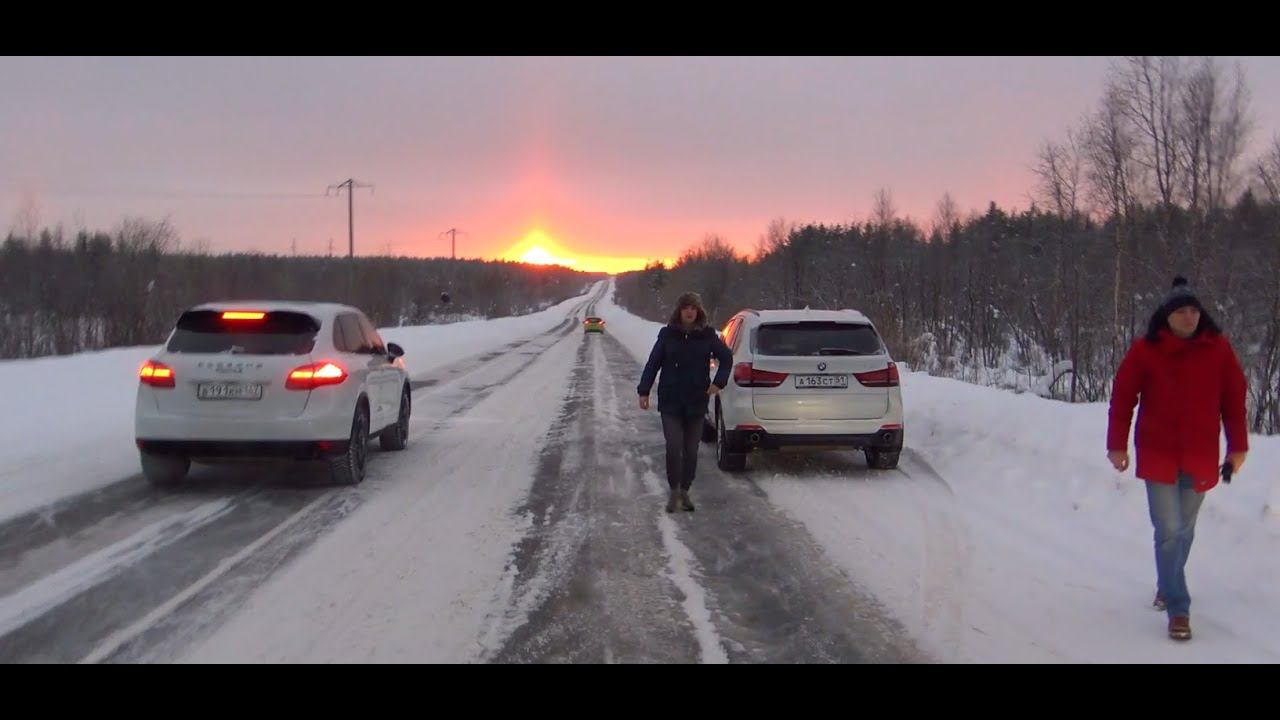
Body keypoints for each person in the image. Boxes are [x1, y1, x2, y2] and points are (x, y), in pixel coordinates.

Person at [1107, 277, 1248, 641]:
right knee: (1169, 531)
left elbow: (1234, 401)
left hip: (1200, 454)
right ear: (1166, 316)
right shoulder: (1145, 351)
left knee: (1184, 529)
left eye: (1194, 310)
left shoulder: (1218, 350)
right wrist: (1117, 444)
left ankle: (1166, 584)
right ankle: (1178, 608)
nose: (1189, 317)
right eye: (1181, 311)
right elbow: (1123, 398)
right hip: (1158, 453)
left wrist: (1238, 447)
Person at [637, 292, 733, 513]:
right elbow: (653, 363)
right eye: (685, 307)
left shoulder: (708, 335)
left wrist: (719, 382)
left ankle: (685, 490)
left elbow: (726, 358)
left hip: (696, 401)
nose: (690, 311)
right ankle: (673, 490)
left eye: (693, 308)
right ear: (679, 311)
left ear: (699, 311)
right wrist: (644, 391)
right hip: (671, 400)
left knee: (691, 450)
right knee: (673, 446)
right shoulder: (667, 335)